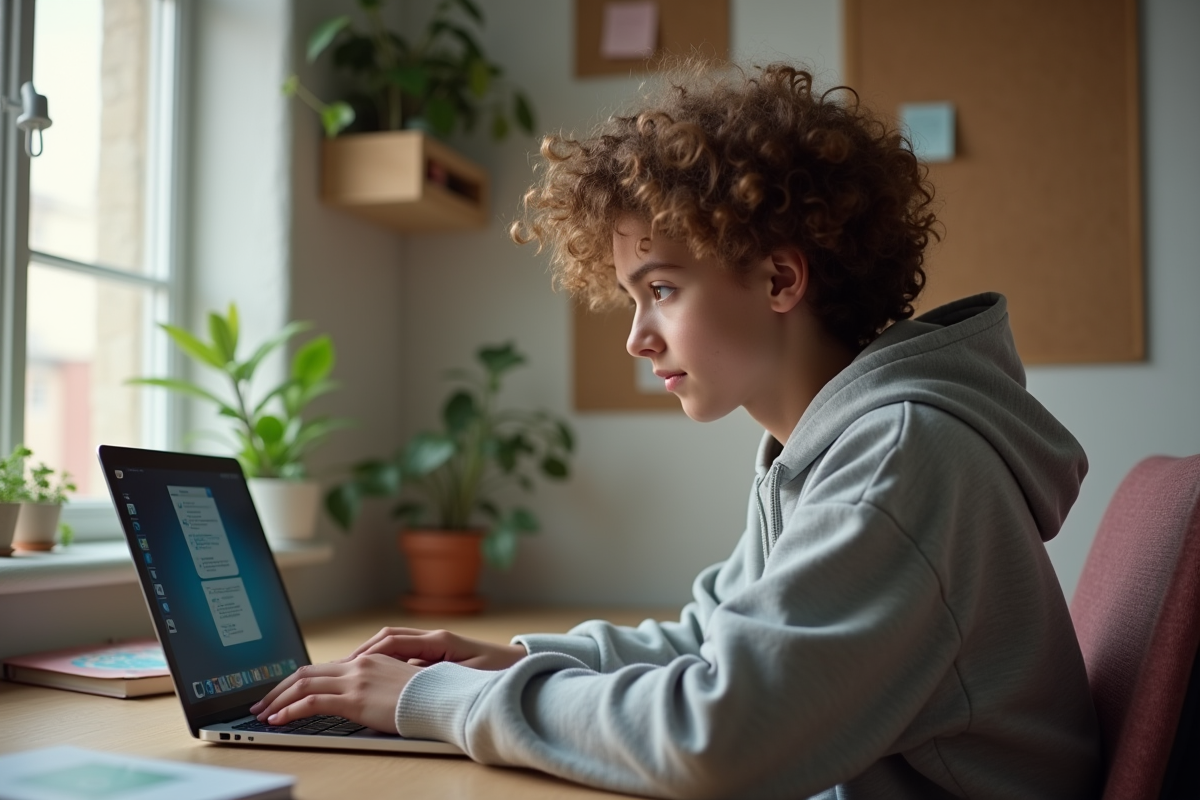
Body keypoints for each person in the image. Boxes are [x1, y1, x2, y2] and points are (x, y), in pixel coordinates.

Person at [251, 62, 1102, 799]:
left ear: (779, 279)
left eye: (661, 290)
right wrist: (507, 659)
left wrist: (434, 702)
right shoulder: (827, 448)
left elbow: (716, 735)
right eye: (632, 298)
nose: (636, 338)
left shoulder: (899, 459)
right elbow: (710, 639)